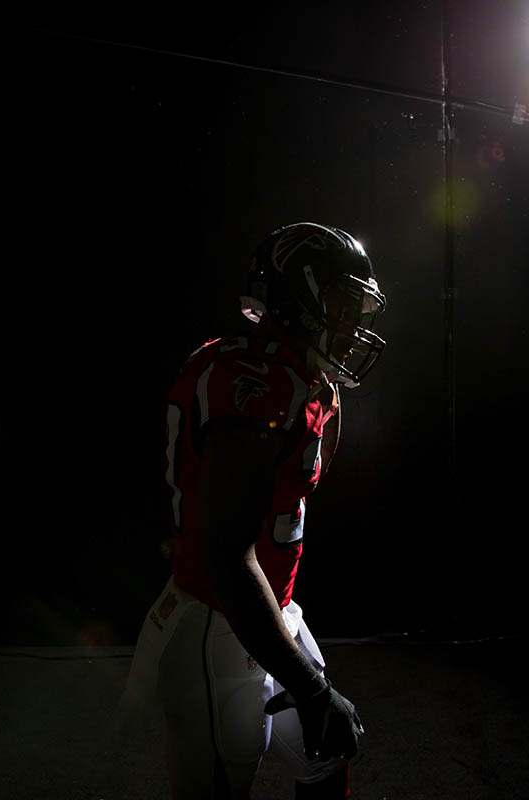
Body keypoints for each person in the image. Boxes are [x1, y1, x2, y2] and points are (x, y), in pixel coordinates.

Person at [120, 222, 388, 799]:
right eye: (341, 304)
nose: (352, 324)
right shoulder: (254, 378)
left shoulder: (303, 376)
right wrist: (309, 689)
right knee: (225, 776)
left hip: (273, 605)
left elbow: (294, 490)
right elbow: (226, 555)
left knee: (327, 751)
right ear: (300, 299)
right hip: (219, 616)